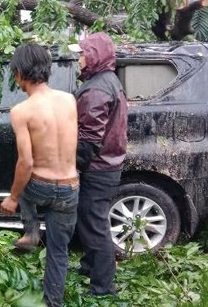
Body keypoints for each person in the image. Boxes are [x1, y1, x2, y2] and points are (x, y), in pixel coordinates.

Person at [0, 43, 79, 307]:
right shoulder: (69, 100)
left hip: (40, 187)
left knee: (21, 183)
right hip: (70, 187)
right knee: (58, 251)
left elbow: (26, 162)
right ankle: (52, 303)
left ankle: (31, 229)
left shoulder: (22, 111)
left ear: (20, 72)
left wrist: (12, 198)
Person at [70, 32, 128, 295]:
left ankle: (103, 288)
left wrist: (75, 165)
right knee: (90, 219)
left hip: (98, 167)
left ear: (93, 55)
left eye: (82, 53)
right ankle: (89, 266)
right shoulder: (106, 80)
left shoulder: (96, 89)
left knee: (95, 227)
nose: (79, 58)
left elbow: (90, 137)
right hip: (107, 164)